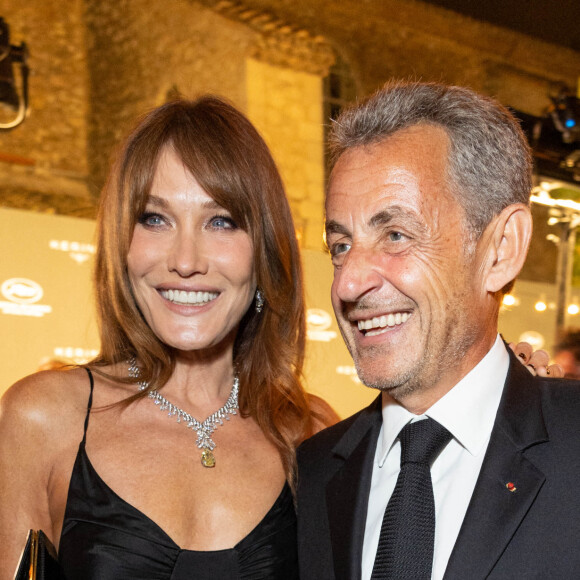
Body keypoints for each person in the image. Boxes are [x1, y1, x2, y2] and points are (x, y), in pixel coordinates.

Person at [0, 96, 337, 579]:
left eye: (221, 221)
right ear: (122, 243)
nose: (185, 259)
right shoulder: (43, 419)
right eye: (154, 218)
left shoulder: (311, 434)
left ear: (264, 252)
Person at [296, 80, 579, 580]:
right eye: (341, 245)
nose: (349, 281)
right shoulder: (314, 473)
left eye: (396, 235)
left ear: (501, 249)